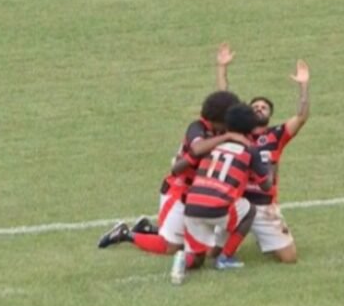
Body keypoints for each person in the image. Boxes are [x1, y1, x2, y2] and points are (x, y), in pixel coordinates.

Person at [97, 89, 248, 254]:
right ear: (217, 119)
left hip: (202, 194)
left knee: (201, 246)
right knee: (170, 247)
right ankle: (125, 234)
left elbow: (225, 98)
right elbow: (197, 149)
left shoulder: (221, 128)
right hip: (179, 191)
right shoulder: (197, 128)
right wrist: (227, 138)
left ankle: (147, 228)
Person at [216, 43, 310, 263]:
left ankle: (262, 236)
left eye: (264, 107)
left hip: (264, 205)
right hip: (237, 202)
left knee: (289, 258)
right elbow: (224, 99)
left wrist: (304, 86)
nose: (259, 108)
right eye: (255, 106)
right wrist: (222, 69)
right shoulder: (237, 130)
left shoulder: (277, 135)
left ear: (270, 115)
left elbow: (302, 116)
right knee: (210, 254)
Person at [175, 103, 272, 271]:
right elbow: (266, 186)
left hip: (191, 207)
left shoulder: (210, 145)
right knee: (249, 211)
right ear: (251, 127)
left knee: (198, 260)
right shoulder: (250, 151)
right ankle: (225, 257)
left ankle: (183, 262)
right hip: (217, 209)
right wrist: (269, 165)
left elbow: (177, 168)